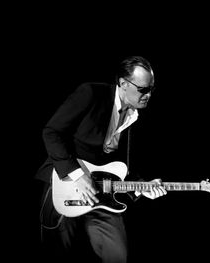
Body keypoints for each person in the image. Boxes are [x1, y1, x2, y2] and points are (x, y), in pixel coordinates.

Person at [35, 56, 167, 263]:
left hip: (104, 196)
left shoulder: (136, 117)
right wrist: (78, 174)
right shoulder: (91, 93)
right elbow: (51, 132)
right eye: (143, 89)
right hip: (66, 184)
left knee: (117, 256)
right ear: (123, 84)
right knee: (56, 254)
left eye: (151, 88)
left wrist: (143, 187)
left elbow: (124, 168)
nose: (148, 95)